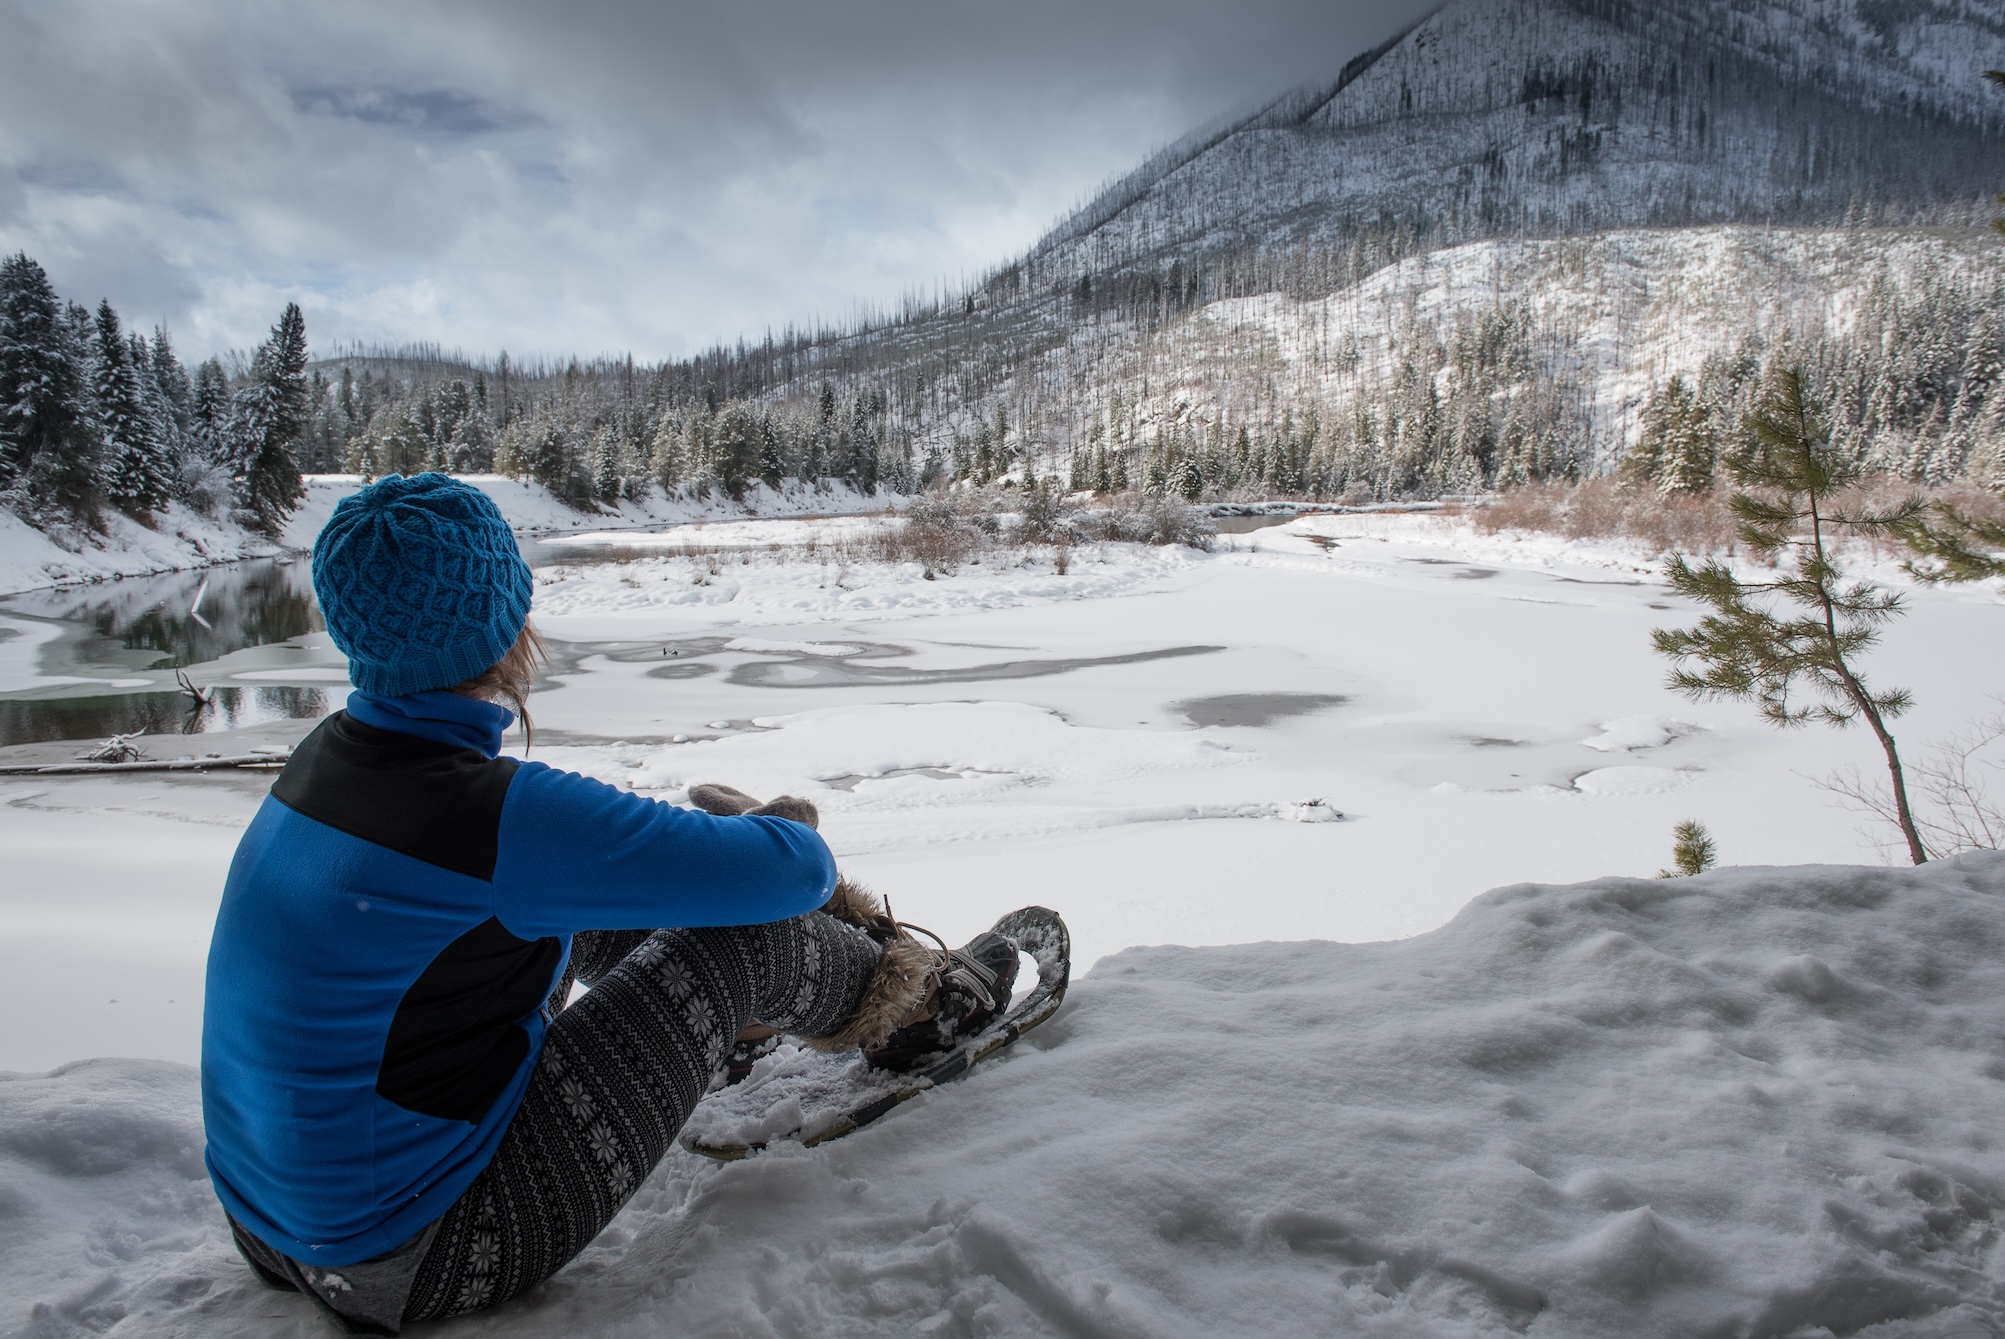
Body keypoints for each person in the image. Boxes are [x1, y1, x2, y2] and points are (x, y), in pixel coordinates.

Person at [201, 473, 1018, 1334]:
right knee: (739, 945)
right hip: (413, 1252)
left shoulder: (322, 764)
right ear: (504, 624)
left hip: (269, 1225)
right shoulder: (489, 814)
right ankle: (924, 1006)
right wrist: (772, 828)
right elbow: (794, 871)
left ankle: (730, 1036)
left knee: (561, 909)